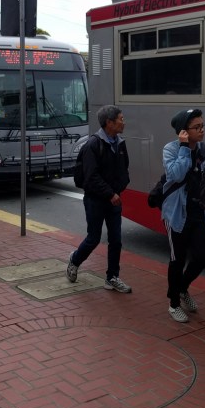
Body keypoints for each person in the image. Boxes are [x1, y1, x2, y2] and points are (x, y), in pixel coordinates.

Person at [161, 108, 205, 322]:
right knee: (177, 259)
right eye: (197, 127)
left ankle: (182, 288)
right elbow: (176, 175)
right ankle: (174, 302)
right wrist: (185, 148)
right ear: (183, 132)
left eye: (203, 126)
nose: (202, 130)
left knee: (203, 255)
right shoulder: (171, 149)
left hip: (200, 212)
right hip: (176, 213)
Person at [65, 105, 132, 293]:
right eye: (120, 118)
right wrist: (110, 194)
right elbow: (91, 177)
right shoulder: (93, 145)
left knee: (116, 240)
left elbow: (124, 169)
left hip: (114, 200)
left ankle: (112, 277)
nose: (123, 121)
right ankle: (75, 260)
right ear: (109, 123)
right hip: (96, 200)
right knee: (93, 238)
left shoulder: (120, 143)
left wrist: (120, 188)